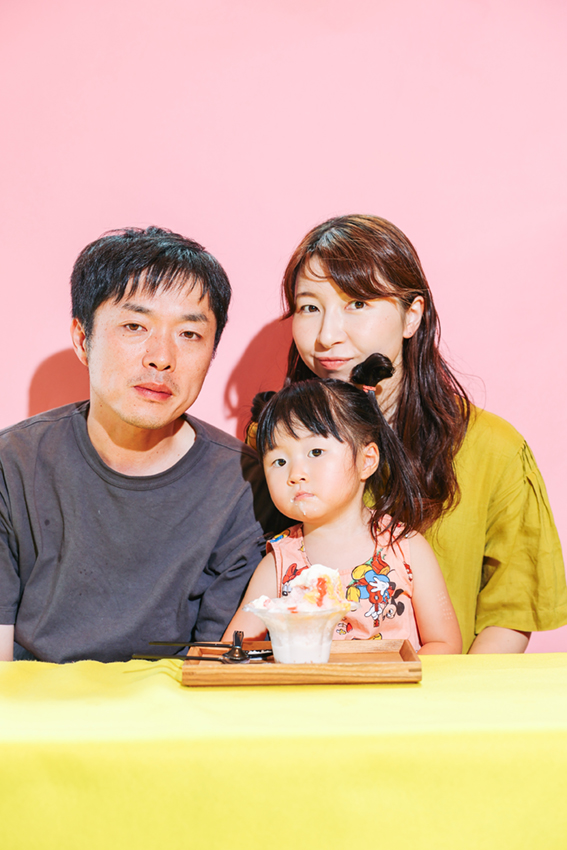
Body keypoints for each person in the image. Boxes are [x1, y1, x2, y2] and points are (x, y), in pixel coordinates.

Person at [267, 214, 566, 653]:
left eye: (357, 303)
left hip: (445, 692)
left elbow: (510, 613)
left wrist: (448, 693)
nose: (327, 336)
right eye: (309, 307)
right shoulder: (273, 446)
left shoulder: (493, 449)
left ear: (412, 316)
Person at [0, 227, 278, 663]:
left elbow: (218, 666)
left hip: (178, 702)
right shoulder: (12, 464)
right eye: (134, 326)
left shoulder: (247, 483)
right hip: (35, 701)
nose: (161, 357)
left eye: (189, 334)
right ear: (82, 339)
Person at [226, 358, 462, 655]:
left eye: (315, 452)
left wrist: (393, 677)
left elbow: (445, 644)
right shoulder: (279, 564)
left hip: (396, 684)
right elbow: (234, 649)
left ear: (367, 460)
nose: (295, 474)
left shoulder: (405, 548)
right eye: (279, 461)